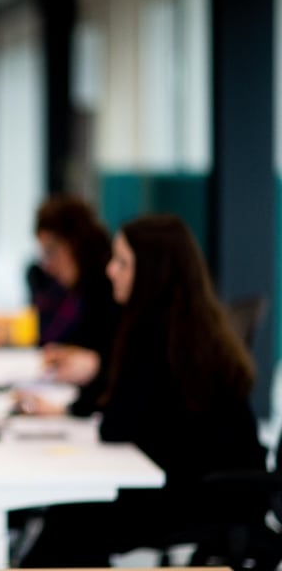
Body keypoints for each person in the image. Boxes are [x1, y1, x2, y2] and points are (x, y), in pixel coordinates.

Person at [20, 215, 266, 567]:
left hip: (202, 495)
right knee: (72, 517)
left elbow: (116, 426)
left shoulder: (152, 332)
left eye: (122, 263)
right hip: (224, 491)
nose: (110, 271)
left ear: (153, 273)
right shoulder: (192, 327)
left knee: (72, 520)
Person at [18, 194, 119, 416]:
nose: (47, 264)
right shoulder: (68, 290)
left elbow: (118, 367)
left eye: (51, 251)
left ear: (75, 244)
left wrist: (92, 366)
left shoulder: (109, 292)